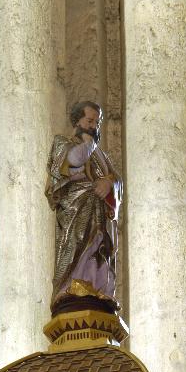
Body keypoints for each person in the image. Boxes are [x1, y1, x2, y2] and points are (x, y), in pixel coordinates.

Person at [45, 100, 122, 311]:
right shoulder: (64, 142)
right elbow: (72, 162)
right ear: (77, 120)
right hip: (76, 212)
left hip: (100, 213)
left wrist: (109, 183)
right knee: (77, 247)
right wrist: (89, 143)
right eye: (89, 120)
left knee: (99, 246)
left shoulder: (102, 156)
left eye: (97, 122)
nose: (94, 126)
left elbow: (116, 179)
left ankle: (98, 289)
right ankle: (72, 287)